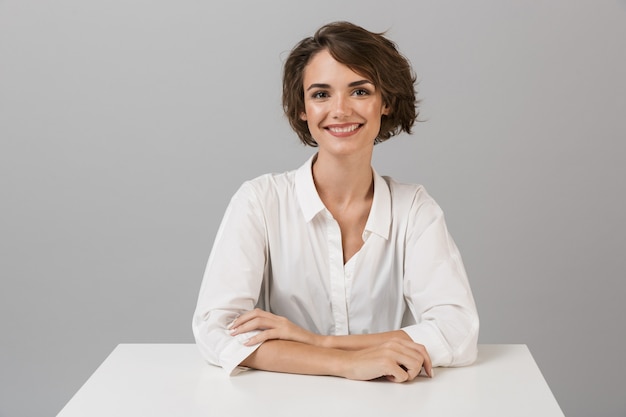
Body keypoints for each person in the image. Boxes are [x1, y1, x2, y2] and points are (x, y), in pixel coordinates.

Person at [192, 21, 479, 383]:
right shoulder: (259, 202)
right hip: (280, 402)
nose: (340, 110)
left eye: (359, 92)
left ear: (386, 102)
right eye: (321, 94)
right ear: (302, 109)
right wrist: (346, 364)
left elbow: (459, 332)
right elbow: (216, 330)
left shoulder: (414, 209)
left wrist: (319, 342)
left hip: (390, 402)